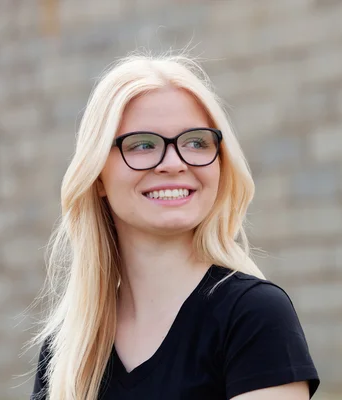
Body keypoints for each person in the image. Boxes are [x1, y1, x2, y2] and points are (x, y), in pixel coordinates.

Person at [29, 52, 319, 400]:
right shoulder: (69, 347)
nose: (174, 163)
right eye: (142, 145)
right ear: (98, 176)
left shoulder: (254, 316)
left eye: (196, 142)